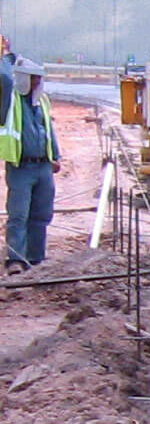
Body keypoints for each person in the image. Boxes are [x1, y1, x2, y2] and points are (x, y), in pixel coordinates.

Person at [1, 58, 58, 272]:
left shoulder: (41, 101)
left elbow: (48, 130)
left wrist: (56, 156)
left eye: (38, 78)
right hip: (21, 167)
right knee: (19, 215)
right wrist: (5, 58)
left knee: (41, 214)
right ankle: (15, 258)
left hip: (43, 166)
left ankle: (36, 258)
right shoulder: (11, 100)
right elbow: (5, 79)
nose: (36, 82)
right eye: (32, 78)